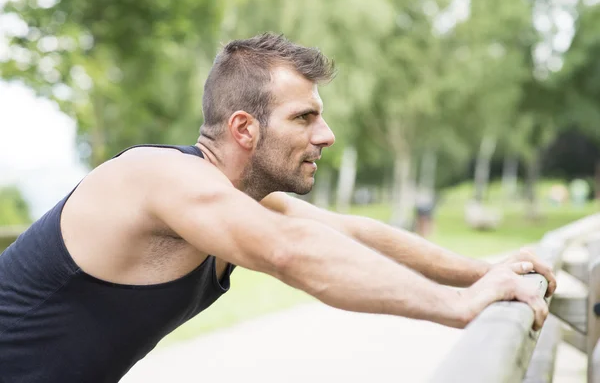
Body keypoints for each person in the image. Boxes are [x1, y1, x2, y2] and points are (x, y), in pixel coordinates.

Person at [0, 33, 556, 382]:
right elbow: (292, 254)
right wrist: (457, 305)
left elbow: (350, 234)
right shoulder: (160, 178)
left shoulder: (237, 201)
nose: (327, 135)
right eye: (304, 117)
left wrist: (486, 272)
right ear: (244, 127)